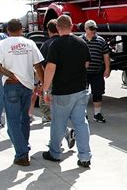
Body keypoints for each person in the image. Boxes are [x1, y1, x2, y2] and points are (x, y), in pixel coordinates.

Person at [0, 19, 44, 166]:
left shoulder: (2, 44)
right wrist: (42, 84)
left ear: (8, 30)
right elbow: (38, 65)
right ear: (22, 29)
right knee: (24, 119)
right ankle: (24, 147)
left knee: (13, 122)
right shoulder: (30, 43)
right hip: (27, 86)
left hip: (11, 85)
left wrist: (9, 73)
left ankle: (22, 154)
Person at [42, 15, 92, 167]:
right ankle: (85, 157)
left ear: (57, 28)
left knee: (58, 123)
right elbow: (87, 64)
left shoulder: (55, 45)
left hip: (62, 91)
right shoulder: (82, 42)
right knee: (81, 123)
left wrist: (45, 90)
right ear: (72, 26)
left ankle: (55, 153)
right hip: (81, 90)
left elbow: (50, 69)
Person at [80, 20, 110, 123]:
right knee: (82, 94)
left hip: (97, 72)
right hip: (82, 73)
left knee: (98, 93)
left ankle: (97, 114)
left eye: (95, 29)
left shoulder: (101, 40)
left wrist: (107, 69)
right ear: (86, 29)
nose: (94, 31)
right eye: (91, 29)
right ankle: (83, 114)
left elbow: (106, 55)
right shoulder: (80, 40)